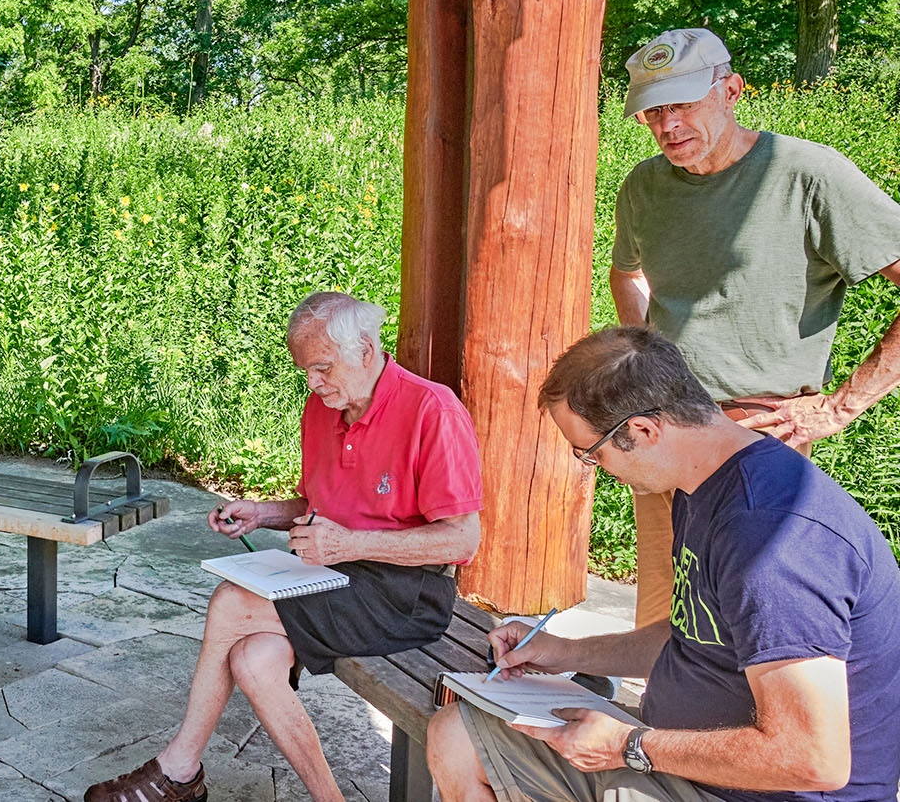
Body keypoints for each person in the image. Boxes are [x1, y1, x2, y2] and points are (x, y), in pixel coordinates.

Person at [426, 326, 900, 802]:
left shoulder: (769, 539)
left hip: (754, 790)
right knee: (456, 734)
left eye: (590, 452)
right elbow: (699, 637)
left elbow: (813, 759)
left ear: (642, 430)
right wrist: (565, 653)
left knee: (462, 742)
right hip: (692, 768)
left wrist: (630, 746)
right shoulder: (706, 484)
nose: (598, 470)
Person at [84, 292, 482, 802]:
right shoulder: (322, 409)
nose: (313, 384)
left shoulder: (432, 410)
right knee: (252, 659)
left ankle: (178, 771)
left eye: (321, 368)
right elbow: (317, 504)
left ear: (365, 348)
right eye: (306, 372)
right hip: (335, 575)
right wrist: (262, 512)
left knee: (231, 602)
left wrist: (348, 543)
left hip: (408, 593)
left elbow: (461, 538)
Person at [610, 27, 900, 628]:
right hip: (661, 426)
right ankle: (648, 722)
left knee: (755, 619)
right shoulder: (644, 185)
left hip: (758, 434)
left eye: (684, 104)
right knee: (664, 618)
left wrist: (840, 407)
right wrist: (641, 361)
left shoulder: (809, 175)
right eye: (654, 111)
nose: (668, 126)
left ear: (732, 90)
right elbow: (627, 276)